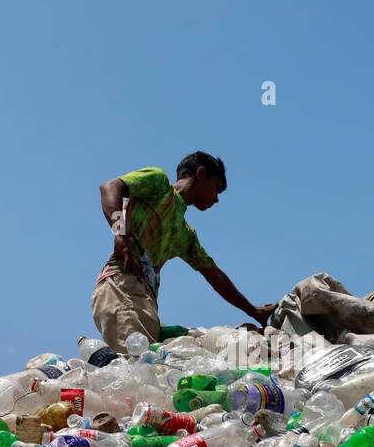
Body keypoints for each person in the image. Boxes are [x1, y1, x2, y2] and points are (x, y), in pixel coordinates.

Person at [92, 151, 276, 352]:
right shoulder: (159, 183)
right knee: (136, 364)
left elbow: (215, 276)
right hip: (122, 286)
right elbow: (110, 186)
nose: (216, 199)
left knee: (148, 366)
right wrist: (121, 232)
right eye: (216, 188)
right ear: (201, 173)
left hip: (145, 300)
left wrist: (253, 311)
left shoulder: (185, 234)